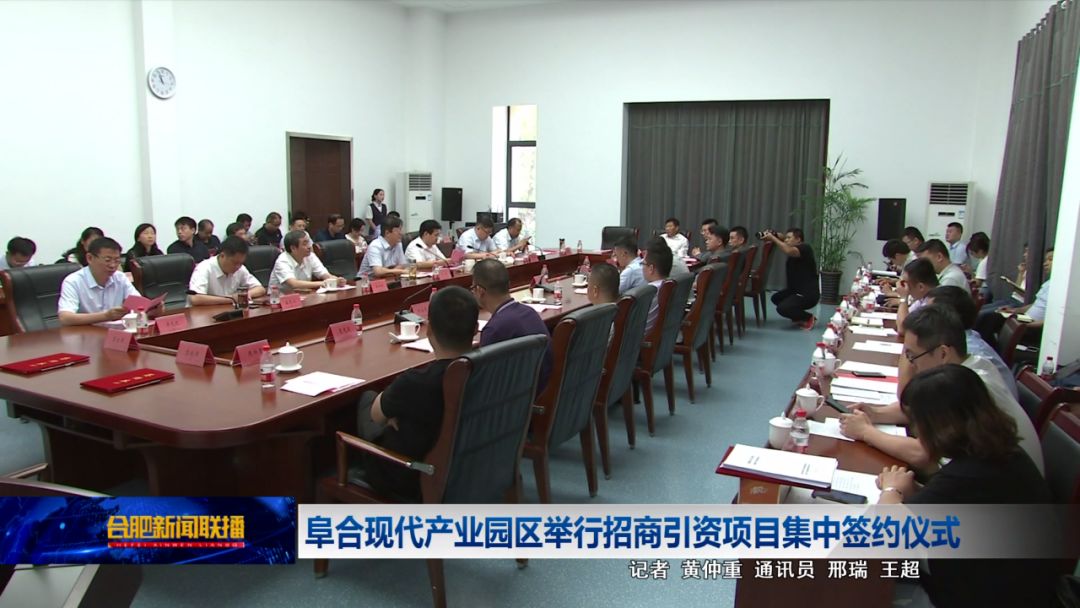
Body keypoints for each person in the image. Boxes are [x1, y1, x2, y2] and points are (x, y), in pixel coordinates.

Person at [873, 364, 1054, 608]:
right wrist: (914, 492)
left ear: (940, 425)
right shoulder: (1000, 452)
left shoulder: (969, 474)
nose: (916, 431)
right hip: (1011, 582)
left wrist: (891, 491)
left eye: (917, 422)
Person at [839, 305, 1043, 473]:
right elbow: (919, 407)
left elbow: (924, 454)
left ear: (943, 353)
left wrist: (866, 432)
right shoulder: (972, 364)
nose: (911, 364)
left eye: (912, 356)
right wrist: (875, 414)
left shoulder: (966, 386)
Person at [354, 286, 479, 500]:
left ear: (429, 331)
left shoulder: (416, 382)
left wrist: (391, 412)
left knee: (368, 399)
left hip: (413, 477)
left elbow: (376, 416)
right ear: (475, 329)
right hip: (470, 466)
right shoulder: (487, 368)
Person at [472, 259, 552, 390]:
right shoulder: (529, 312)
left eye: (472, 288)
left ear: (480, 291)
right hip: (541, 390)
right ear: (508, 285)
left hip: (518, 397)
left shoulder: (494, 329)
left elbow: (485, 384)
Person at [925, 285, 1018, 398]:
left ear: (948, 318)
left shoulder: (968, 351)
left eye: (929, 315)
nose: (924, 319)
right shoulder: (964, 338)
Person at [58, 237, 157, 326]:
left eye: (117, 260)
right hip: (87, 334)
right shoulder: (73, 281)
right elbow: (65, 318)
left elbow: (138, 304)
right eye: (107, 260)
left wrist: (151, 311)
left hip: (117, 333)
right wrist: (105, 316)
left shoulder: (120, 278)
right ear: (90, 258)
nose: (113, 265)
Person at [975, 248, 1053, 347]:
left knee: (989, 319)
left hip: (1033, 326)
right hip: (1025, 318)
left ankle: (988, 350)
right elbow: (1034, 305)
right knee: (988, 317)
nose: (1045, 263)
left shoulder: (1061, 290)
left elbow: (1050, 320)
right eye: (1046, 260)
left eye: (1050, 259)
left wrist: (1024, 325)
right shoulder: (1048, 283)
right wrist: (1014, 311)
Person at [764, 228, 819, 329]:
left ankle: (808, 317)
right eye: (786, 238)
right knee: (776, 298)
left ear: (798, 239)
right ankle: (797, 316)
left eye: (789, 238)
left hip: (808, 294)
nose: (786, 240)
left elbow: (788, 250)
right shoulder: (795, 247)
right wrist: (775, 234)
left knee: (782, 308)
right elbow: (784, 239)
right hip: (795, 290)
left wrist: (773, 238)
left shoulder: (805, 248)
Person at [188, 236, 267, 306]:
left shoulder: (240, 268)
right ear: (222, 256)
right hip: (203, 315)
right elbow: (195, 298)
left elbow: (260, 289)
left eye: (241, 263)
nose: (238, 267)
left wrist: (243, 296)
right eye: (235, 263)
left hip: (228, 312)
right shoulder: (204, 268)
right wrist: (231, 299)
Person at [269, 230, 345, 293]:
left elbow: (325, 274)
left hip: (303, 295)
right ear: (293, 248)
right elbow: (294, 284)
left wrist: (336, 280)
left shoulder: (310, 256)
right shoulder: (282, 261)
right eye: (305, 244)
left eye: (308, 243)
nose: (309, 246)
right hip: (279, 300)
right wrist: (323, 283)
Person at [892, 258, 938, 337]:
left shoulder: (936, 301)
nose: (906, 290)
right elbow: (902, 322)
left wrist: (903, 299)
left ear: (921, 287)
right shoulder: (923, 298)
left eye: (907, 285)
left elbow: (903, 330)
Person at [642, 239, 673, 332]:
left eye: (643, 264)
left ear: (651, 269)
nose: (642, 268)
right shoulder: (671, 286)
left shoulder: (648, 293)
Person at [966, 231, 990, 296]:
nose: (972, 256)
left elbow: (977, 283)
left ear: (980, 251)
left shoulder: (984, 262)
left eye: (972, 253)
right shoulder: (990, 258)